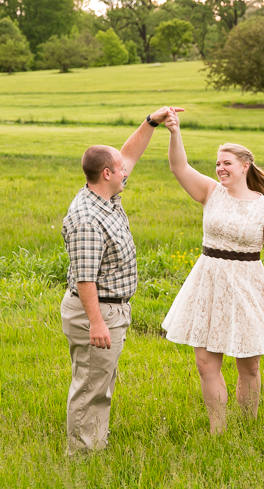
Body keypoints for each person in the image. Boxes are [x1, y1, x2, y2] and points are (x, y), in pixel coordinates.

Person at [160, 108, 264, 434]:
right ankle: (219, 430)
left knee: (250, 366)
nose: (219, 168)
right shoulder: (211, 192)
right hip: (208, 281)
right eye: (217, 163)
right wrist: (174, 131)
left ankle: (248, 425)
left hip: (247, 285)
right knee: (205, 363)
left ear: (244, 167)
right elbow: (178, 167)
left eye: (226, 163)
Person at [60, 106, 179, 455]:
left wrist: (151, 122)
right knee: (90, 387)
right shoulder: (86, 217)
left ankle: (93, 442)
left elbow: (127, 154)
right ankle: (83, 457)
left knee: (100, 382)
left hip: (112, 311)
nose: (127, 169)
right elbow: (85, 280)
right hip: (96, 313)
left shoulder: (106, 196)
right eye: (121, 168)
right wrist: (97, 323)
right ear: (107, 173)